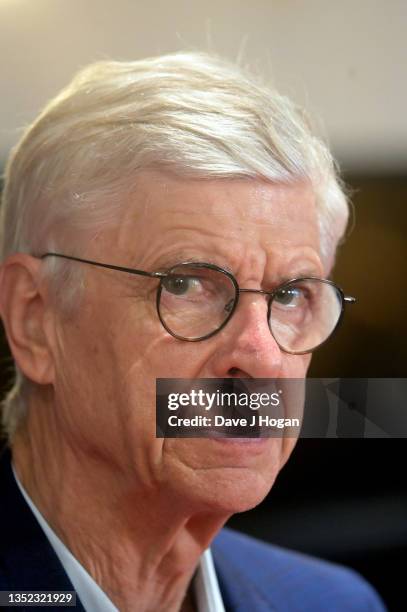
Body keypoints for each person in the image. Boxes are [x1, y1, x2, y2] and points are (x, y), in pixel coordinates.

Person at [0, 52, 385, 611]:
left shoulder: (335, 602)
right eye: (185, 285)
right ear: (35, 318)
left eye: (290, 295)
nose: (261, 357)